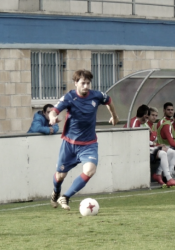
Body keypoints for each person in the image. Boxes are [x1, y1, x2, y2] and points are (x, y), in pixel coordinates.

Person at [49, 69, 119, 211]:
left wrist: (114, 116)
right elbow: (54, 111)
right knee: (60, 176)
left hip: (89, 144)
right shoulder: (69, 97)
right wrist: (52, 118)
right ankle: (56, 191)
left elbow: (109, 101)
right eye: (83, 83)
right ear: (76, 83)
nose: (86, 86)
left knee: (90, 170)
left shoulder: (97, 96)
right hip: (69, 144)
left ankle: (66, 196)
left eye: (88, 83)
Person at [146, 107, 175, 188]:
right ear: (148, 115)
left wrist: (158, 145)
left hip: (153, 148)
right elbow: (145, 141)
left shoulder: (154, 126)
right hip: (147, 148)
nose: (154, 117)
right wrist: (156, 145)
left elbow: (155, 140)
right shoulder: (145, 125)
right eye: (152, 115)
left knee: (173, 152)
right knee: (163, 153)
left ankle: (169, 176)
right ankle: (166, 178)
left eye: (156, 115)